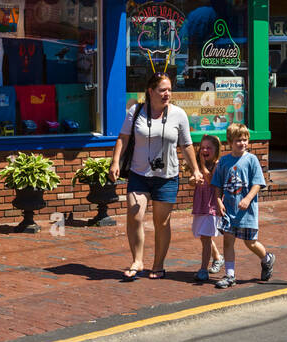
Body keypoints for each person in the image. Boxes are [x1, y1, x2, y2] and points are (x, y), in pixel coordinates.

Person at [111, 73, 200, 280]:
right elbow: (123, 138)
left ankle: (158, 265)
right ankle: (137, 260)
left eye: (169, 89)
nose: (167, 94)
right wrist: (115, 162)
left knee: (162, 222)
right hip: (139, 173)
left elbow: (186, 145)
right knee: (135, 216)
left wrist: (195, 169)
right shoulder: (136, 111)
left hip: (167, 176)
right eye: (162, 90)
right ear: (150, 92)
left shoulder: (179, 114)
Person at [211, 123, 274, 288]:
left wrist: (247, 198)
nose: (242, 143)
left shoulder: (251, 160)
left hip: (247, 212)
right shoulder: (224, 161)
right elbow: (217, 184)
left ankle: (267, 259)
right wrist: (218, 201)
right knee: (228, 242)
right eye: (238, 140)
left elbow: (258, 183)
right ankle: (230, 275)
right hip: (229, 211)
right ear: (230, 141)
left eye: (245, 140)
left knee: (250, 242)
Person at [192, 134, 225, 282]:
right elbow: (192, 181)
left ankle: (203, 269)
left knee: (205, 237)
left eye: (208, 148)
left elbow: (211, 179)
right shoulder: (199, 165)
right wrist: (193, 180)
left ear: (216, 150)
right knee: (202, 235)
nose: (205, 150)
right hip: (201, 204)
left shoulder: (218, 164)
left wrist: (202, 164)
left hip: (212, 205)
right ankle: (217, 257)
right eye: (203, 147)